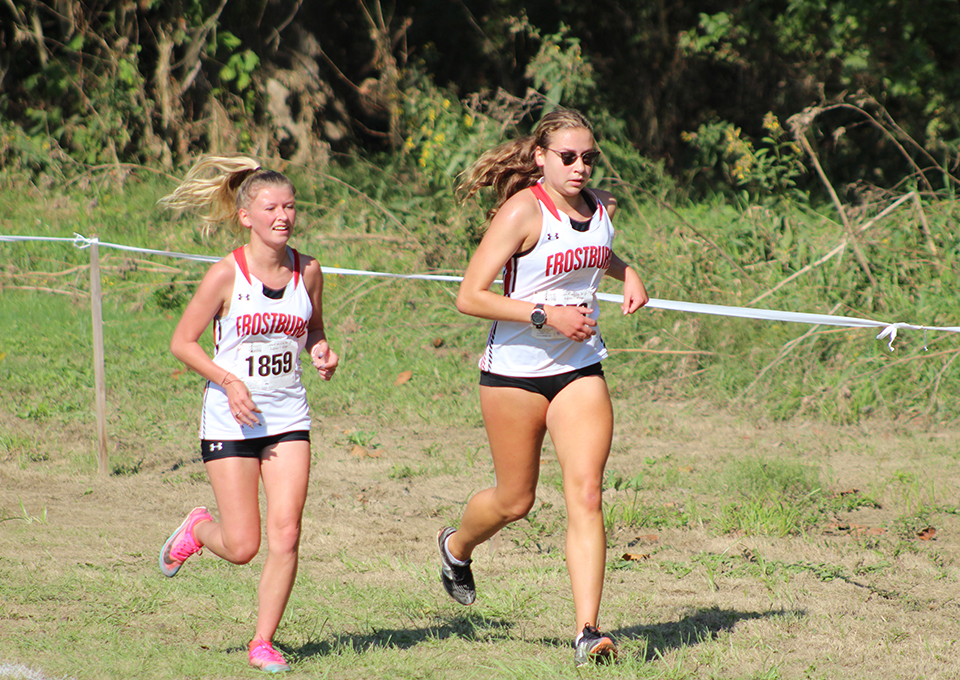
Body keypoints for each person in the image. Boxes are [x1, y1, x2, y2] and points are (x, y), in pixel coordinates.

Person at [437, 108, 648, 666]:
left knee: (587, 494)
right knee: (515, 500)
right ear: (541, 158)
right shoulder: (523, 211)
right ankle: (457, 547)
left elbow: (593, 252)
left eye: (588, 157)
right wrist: (544, 315)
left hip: (579, 369)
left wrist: (626, 271)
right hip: (513, 374)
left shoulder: (602, 208)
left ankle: (587, 631)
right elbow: (469, 296)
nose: (580, 167)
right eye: (568, 157)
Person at [157, 156, 338, 673]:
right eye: (271, 207)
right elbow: (182, 342)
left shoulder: (309, 270)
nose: (283, 216)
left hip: (287, 418)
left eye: (290, 206)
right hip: (230, 420)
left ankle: (263, 641)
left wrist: (321, 352)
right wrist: (229, 381)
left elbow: (314, 332)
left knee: (286, 534)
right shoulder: (225, 275)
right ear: (246, 216)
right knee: (241, 546)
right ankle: (196, 529)